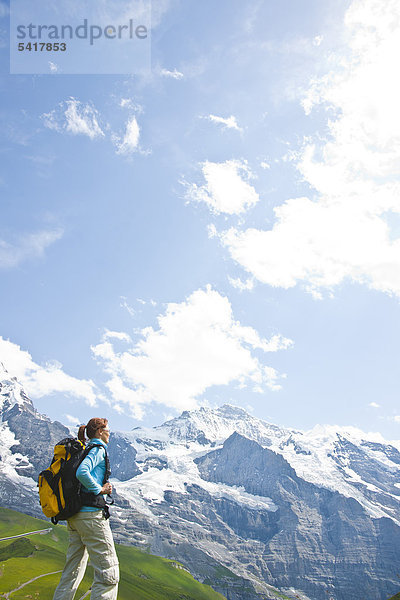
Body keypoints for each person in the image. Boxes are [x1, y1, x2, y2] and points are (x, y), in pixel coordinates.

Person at [53, 417, 120, 600]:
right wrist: (100, 489)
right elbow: (82, 472)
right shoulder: (98, 449)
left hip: (76, 517)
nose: (109, 433)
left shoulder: (84, 448)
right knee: (108, 573)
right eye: (107, 429)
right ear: (100, 431)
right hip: (91, 518)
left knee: (72, 571)